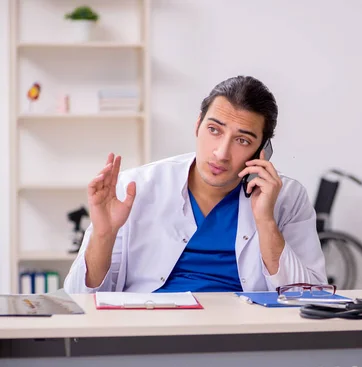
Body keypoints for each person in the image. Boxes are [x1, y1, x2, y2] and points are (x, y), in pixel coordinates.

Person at [63, 76, 328, 293]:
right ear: (198, 125)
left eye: (242, 140)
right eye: (214, 130)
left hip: (242, 340)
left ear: (262, 151)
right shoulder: (135, 187)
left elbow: (310, 299)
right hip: (151, 333)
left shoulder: (287, 198)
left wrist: (266, 222)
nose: (221, 153)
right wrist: (103, 234)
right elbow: (80, 298)